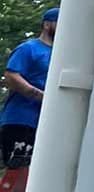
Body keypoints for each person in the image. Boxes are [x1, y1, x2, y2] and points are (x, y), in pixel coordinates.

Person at [0, 9, 58, 170]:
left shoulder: (61, 53)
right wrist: (41, 96)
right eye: (59, 22)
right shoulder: (29, 48)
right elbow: (12, 76)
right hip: (21, 118)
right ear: (47, 25)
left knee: (37, 174)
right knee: (18, 170)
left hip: (47, 121)